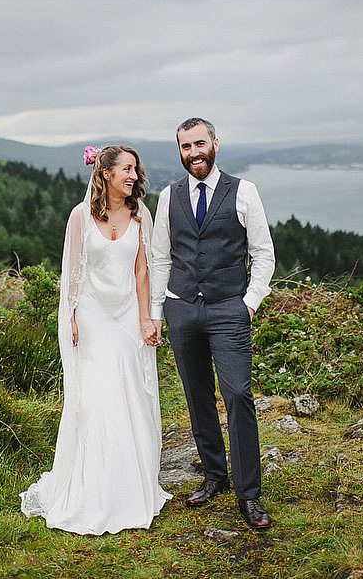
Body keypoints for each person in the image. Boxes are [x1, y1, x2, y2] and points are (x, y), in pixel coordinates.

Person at [20, 144, 171, 535]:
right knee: (97, 399)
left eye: (135, 170)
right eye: (126, 170)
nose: (134, 177)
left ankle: (129, 490)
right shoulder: (80, 216)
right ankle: (91, 492)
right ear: (105, 173)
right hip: (90, 315)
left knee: (129, 395)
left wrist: (146, 319)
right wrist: (69, 314)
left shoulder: (141, 214)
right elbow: (71, 269)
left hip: (124, 317)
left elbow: (143, 272)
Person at [149, 117, 276, 530]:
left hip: (229, 310)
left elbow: (263, 254)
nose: (193, 153)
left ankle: (249, 494)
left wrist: (249, 304)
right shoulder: (168, 197)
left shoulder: (243, 191)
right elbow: (160, 258)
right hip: (182, 308)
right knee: (197, 396)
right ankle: (214, 475)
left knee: (238, 393)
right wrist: (161, 310)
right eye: (185, 147)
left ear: (215, 144)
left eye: (199, 144)